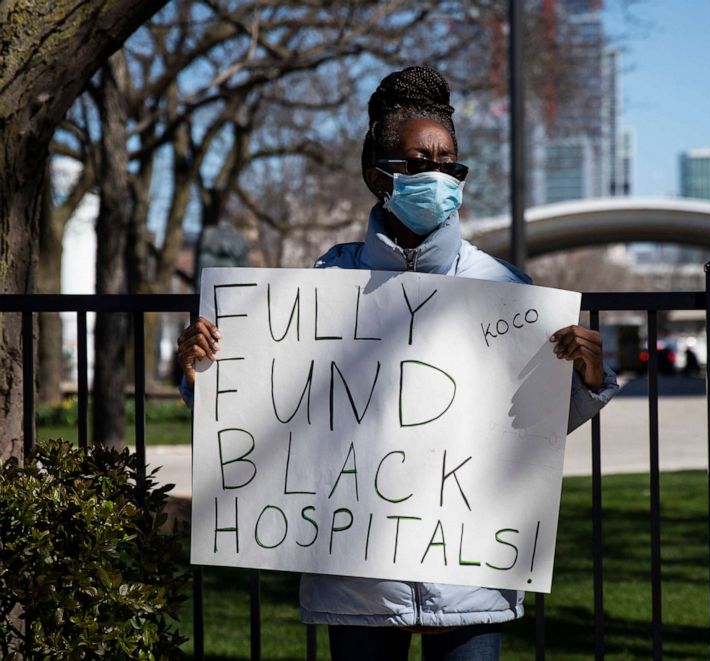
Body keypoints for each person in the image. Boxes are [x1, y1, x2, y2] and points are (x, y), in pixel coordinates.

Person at [176, 65, 618, 660]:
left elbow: (530, 428)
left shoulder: (507, 288)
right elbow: (264, 414)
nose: (435, 176)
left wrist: (587, 378)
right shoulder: (323, 287)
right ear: (376, 175)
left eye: (448, 164)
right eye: (417, 163)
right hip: (356, 577)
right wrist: (205, 372)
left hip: (468, 578)